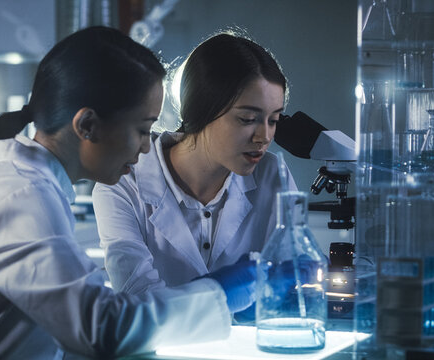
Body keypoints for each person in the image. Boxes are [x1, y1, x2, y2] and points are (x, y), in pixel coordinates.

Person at [0, 27, 257, 359]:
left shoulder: (32, 187)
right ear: (87, 124)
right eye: (142, 129)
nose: (146, 147)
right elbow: (100, 326)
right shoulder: (19, 198)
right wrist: (220, 291)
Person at [92, 32, 297, 321]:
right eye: (247, 119)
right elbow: (138, 297)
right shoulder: (124, 182)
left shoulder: (273, 175)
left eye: (273, 120)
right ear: (202, 110)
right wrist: (219, 293)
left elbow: (291, 287)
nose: (264, 136)